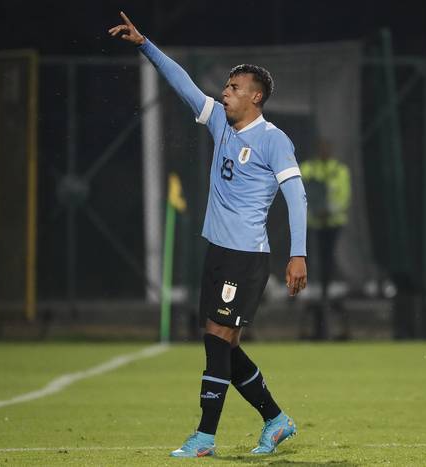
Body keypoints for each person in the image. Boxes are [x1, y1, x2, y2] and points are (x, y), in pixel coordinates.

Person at [109, 12, 307, 458]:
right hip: (219, 252)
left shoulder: (274, 139)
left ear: (255, 97)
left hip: (245, 257)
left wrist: (299, 254)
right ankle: (276, 420)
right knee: (220, 345)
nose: (225, 92)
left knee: (217, 341)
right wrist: (145, 45)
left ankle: (204, 438)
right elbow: (182, 85)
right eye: (227, 87)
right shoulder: (220, 122)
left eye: (234, 88)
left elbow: (298, 197)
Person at [300, 140, 351, 338]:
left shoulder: (340, 170)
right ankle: (315, 289)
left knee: (329, 259)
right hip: (313, 224)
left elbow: (344, 197)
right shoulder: (307, 168)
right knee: (316, 260)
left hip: (333, 224)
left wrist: (327, 211)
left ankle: (329, 291)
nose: (324, 151)